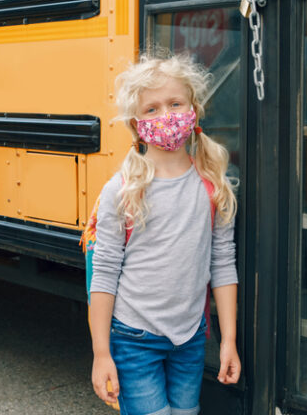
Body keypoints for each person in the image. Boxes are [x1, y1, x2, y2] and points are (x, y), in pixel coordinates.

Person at [89, 52, 241, 415]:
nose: (166, 116)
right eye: (152, 109)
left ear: (194, 111)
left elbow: (222, 264)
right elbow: (105, 273)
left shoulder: (213, 187)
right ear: (135, 123)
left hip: (189, 339)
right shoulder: (122, 190)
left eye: (175, 104)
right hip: (134, 337)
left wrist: (228, 341)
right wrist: (100, 353)